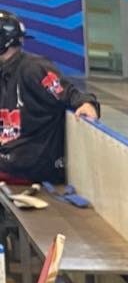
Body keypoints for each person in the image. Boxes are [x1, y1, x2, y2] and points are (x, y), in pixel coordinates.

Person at [0, 11, 100, 188]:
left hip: (28, 164)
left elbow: (67, 93)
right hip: (11, 159)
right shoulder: (5, 72)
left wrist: (87, 103)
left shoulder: (33, 69)